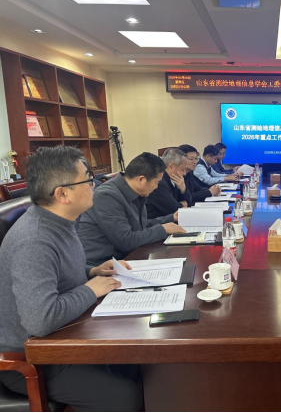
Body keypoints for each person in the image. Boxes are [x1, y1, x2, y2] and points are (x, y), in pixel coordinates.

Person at [0, 146, 143, 412]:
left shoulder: (60, 220)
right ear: (62, 194)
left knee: (140, 363)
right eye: (88, 179)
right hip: (35, 357)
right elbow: (40, 319)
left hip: (64, 338)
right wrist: (91, 290)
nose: (94, 185)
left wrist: (92, 271)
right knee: (125, 398)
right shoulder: (34, 240)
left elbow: (55, 272)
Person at [78, 152, 186, 266]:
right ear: (141, 180)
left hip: (124, 258)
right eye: (156, 182)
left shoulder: (135, 192)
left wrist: (171, 218)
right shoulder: (106, 196)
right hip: (101, 265)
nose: (156, 187)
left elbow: (140, 226)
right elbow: (126, 241)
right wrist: (163, 229)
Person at [146, 149, 189, 219]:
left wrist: (183, 189)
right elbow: (175, 210)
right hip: (156, 223)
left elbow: (188, 202)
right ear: (171, 166)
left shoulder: (175, 180)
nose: (185, 173)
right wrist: (182, 204)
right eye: (183, 170)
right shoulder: (159, 183)